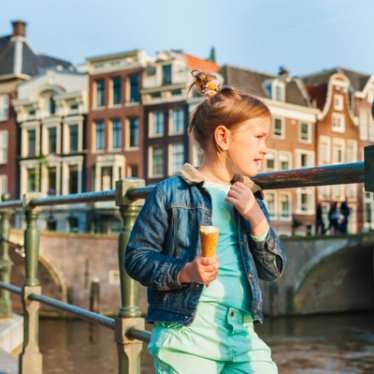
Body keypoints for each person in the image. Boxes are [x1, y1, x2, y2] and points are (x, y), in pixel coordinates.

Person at [124, 70, 287, 374]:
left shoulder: (252, 197)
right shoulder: (170, 192)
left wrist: (256, 219)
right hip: (188, 335)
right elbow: (136, 258)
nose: (266, 148)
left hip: (241, 334)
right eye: (259, 137)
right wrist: (184, 272)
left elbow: (273, 270)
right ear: (223, 137)